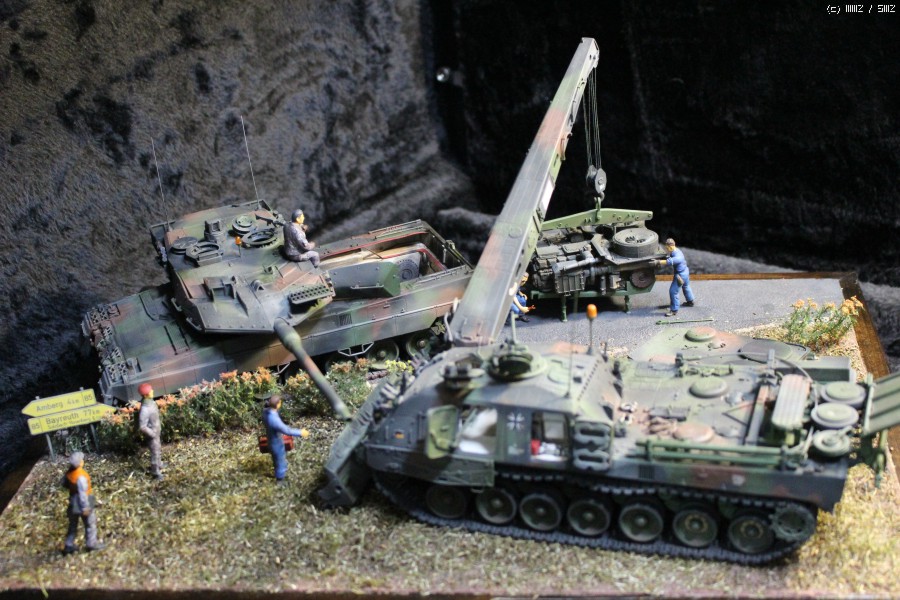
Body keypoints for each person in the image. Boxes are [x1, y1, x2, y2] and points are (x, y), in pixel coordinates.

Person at [61, 452, 103, 554]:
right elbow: (82, 495)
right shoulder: (81, 476)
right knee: (90, 523)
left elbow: (63, 483)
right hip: (84, 501)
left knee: (72, 525)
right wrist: (85, 508)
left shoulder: (69, 473)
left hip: (72, 500)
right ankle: (91, 543)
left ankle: (68, 545)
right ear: (80, 463)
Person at [262, 394, 309, 483]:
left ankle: (279, 472)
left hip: (270, 439)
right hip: (276, 443)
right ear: (278, 404)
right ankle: (280, 480)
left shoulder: (265, 412)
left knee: (276, 459)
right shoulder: (274, 420)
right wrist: (300, 432)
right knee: (280, 461)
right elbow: (287, 430)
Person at [658, 238, 695, 317]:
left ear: (670, 246)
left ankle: (674, 310)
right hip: (685, 272)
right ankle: (690, 301)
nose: (666, 249)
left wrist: (658, 262)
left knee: (673, 291)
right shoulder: (677, 250)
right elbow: (670, 258)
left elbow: (670, 261)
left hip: (680, 275)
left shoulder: (678, 256)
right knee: (686, 286)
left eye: (667, 247)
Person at [138, 382, 163, 479]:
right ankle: (155, 472)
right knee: (155, 452)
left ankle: (159, 464)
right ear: (145, 395)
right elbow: (142, 427)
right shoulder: (144, 409)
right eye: (150, 391)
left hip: (156, 431)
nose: (152, 391)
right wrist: (152, 434)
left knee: (158, 449)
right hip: (152, 435)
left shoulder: (151, 403)